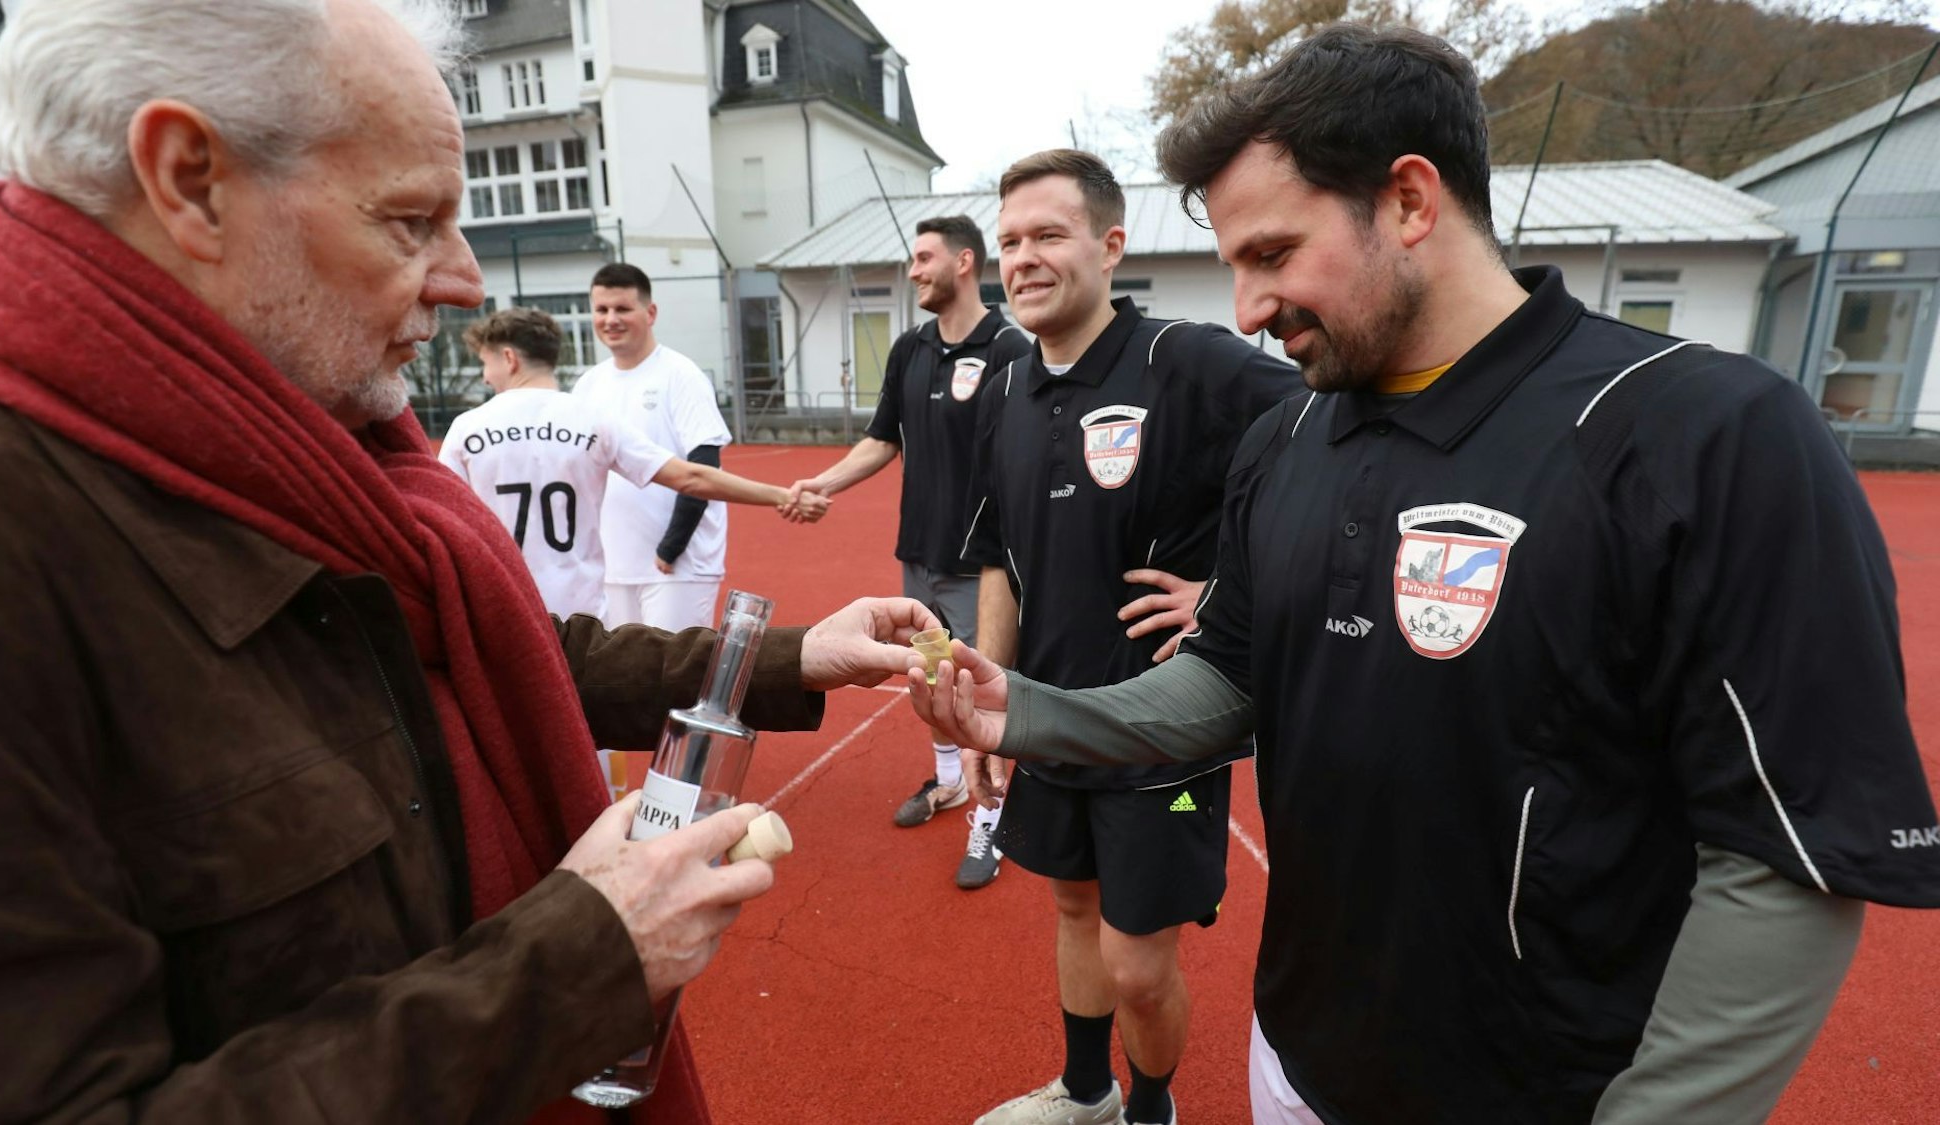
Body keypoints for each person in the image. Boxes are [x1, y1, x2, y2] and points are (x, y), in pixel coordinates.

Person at [912, 26, 1940, 1125]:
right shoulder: (1287, 440)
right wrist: (1025, 710)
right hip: (1296, 1057)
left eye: (1270, 255)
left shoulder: (1707, 432)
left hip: (1545, 1094)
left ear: (1408, 201)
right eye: (1233, 269)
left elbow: (1786, 855)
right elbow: (1224, 679)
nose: (1248, 310)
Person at [0, 2, 936, 1122]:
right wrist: (576, 958)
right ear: (188, 181)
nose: (466, 281)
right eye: (410, 220)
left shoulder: (278, 429)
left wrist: (793, 659)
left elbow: (476, 660)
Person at [959, 150, 1302, 1125]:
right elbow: (997, 555)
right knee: (1071, 910)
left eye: (1047, 235)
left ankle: (1152, 1113)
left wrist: (1222, 589)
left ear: (1110, 246)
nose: (1021, 258)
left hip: (1164, 731)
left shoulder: (1182, 363)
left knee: (1139, 964)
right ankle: (1086, 1094)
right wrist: (997, 698)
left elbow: (1320, 440)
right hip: (1051, 716)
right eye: (1009, 241)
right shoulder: (1008, 388)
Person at [792, 215, 1030, 889]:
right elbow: (882, 439)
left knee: (977, 686)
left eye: (924, 258)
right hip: (919, 558)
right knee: (928, 679)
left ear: (963, 262)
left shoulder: (1011, 349)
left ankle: (992, 816)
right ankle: (951, 783)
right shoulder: (909, 349)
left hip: (980, 568)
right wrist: (823, 483)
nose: (913, 270)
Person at [439, 307, 829, 621]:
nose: (486, 376)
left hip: (505, 607)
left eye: (484, 363)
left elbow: (446, 523)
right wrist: (781, 495)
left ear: (508, 358)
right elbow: (691, 477)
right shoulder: (593, 420)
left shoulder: (466, 429)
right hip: (582, 615)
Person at [573, 263, 735, 632]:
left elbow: (704, 466)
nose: (611, 319)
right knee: (625, 681)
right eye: (602, 310)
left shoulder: (680, 375)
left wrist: (670, 547)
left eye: (622, 309)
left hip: (675, 568)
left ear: (650, 313)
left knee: (673, 682)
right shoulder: (588, 384)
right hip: (613, 567)